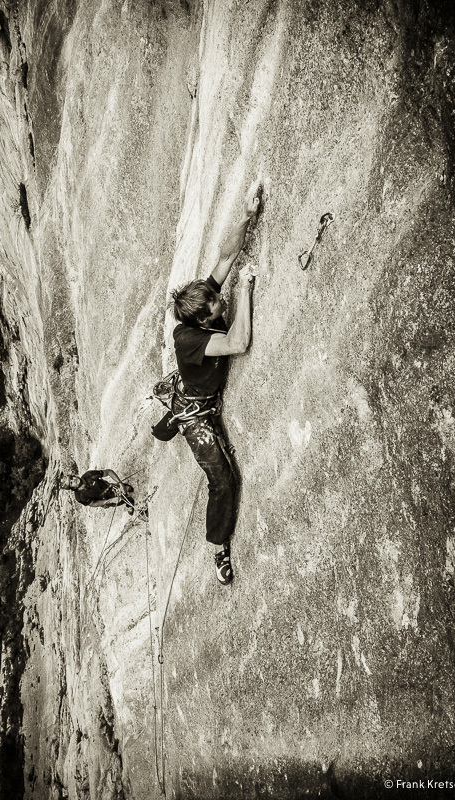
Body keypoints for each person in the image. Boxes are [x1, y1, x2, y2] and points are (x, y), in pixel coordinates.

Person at [169, 176, 261, 585]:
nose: (219, 300)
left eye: (217, 296)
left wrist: (247, 214)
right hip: (197, 417)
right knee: (222, 479)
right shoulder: (195, 342)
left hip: (194, 392)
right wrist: (246, 291)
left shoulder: (198, 304)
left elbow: (226, 255)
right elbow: (238, 341)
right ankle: (217, 549)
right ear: (202, 322)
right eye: (216, 305)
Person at [60, 470, 135, 513]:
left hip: (111, 487)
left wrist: (120, 484)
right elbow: (93, 503)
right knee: (128, 499)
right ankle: (128, 504)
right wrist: (110, 501)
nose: (74, 480)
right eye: (71, 483)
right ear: (72, 488)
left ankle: (123, 488)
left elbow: (108, 472)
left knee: (128, 489)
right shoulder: (79, 497)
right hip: (106, 499)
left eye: (72, 478)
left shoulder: (89, 475)